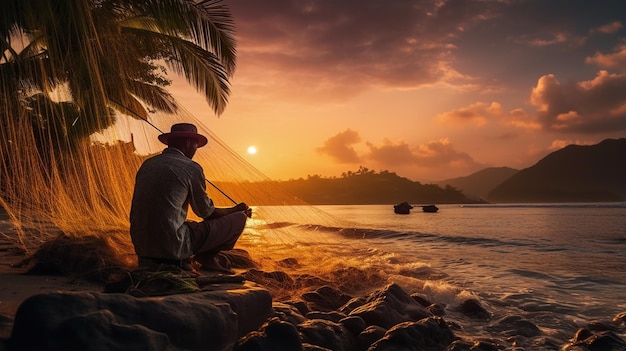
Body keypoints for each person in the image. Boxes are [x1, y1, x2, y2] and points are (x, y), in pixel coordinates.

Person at [130, 123, 251, 273]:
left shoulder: (147, 164)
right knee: (240, 218)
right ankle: (207, 258)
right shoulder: (192, 167)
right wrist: (235, 210)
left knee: (186, 223)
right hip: (172, 247)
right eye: (195, 145)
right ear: (188, 143)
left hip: (143, 248)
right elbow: (206, 213)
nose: (196, 150)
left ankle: (191, 256)